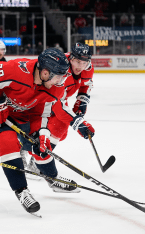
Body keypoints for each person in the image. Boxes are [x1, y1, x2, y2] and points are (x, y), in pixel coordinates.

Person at [0, 48, 83, 217]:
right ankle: (22, 191)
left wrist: (42, 134)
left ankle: (53, 178)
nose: (61, 81)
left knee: (42, 145)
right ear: (45, 73)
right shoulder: (15, 70)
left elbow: (44, 113)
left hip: (24, 115)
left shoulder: (55, 87)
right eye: (58, 76)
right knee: (8, 143)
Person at [23, 42, 95, 180]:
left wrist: (82, 102)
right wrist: (76, 122)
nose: (80, 66)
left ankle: (37, 160)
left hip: (59, 98)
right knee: (37, 127)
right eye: (77, 61)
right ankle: (25, 149)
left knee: (60, 128)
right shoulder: (60, 68)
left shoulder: (88, 67)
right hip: (41, 98)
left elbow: (86, 85)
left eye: (84, 63)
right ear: (71, 58)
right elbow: (56, 102)